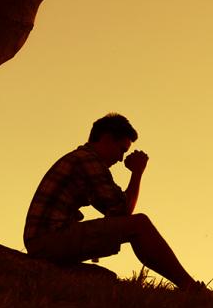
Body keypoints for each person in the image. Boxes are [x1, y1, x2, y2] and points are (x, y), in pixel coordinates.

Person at [24, 113, 199, 288]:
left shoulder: (81, 158)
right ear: (107, 139)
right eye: (122, 150)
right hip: (49, 239)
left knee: (104, 276)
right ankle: (190, 286)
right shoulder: (88, 160)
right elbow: (123, 212)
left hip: (43, 241)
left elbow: (114, 213)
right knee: (139, 224)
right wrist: (137, 172)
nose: (121, 158)